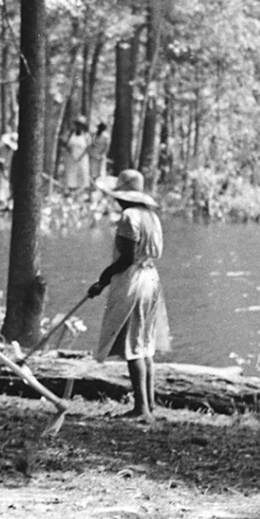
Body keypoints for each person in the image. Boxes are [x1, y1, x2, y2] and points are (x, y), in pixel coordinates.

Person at [88, 169, 170, 421]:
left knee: (133, 346)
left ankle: (141, 408)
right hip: (152, 280)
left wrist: (102, 280)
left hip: (133, 281)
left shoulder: (128, 216)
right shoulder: (151, 217)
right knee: (145, 344)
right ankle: (150, 404)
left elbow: (127, 258)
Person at [62, 116, 92, 196]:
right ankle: (71, 190)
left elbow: (88, 147)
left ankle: (82, 191)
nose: (79, 127)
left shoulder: (86, 135)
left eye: (81, 125)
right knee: (71, 173)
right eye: (78, 125)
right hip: (71, 157)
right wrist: (69, 150)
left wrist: (81, 156)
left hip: (82, 158)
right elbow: (64, 142)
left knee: (83, 172)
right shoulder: (70, 133)